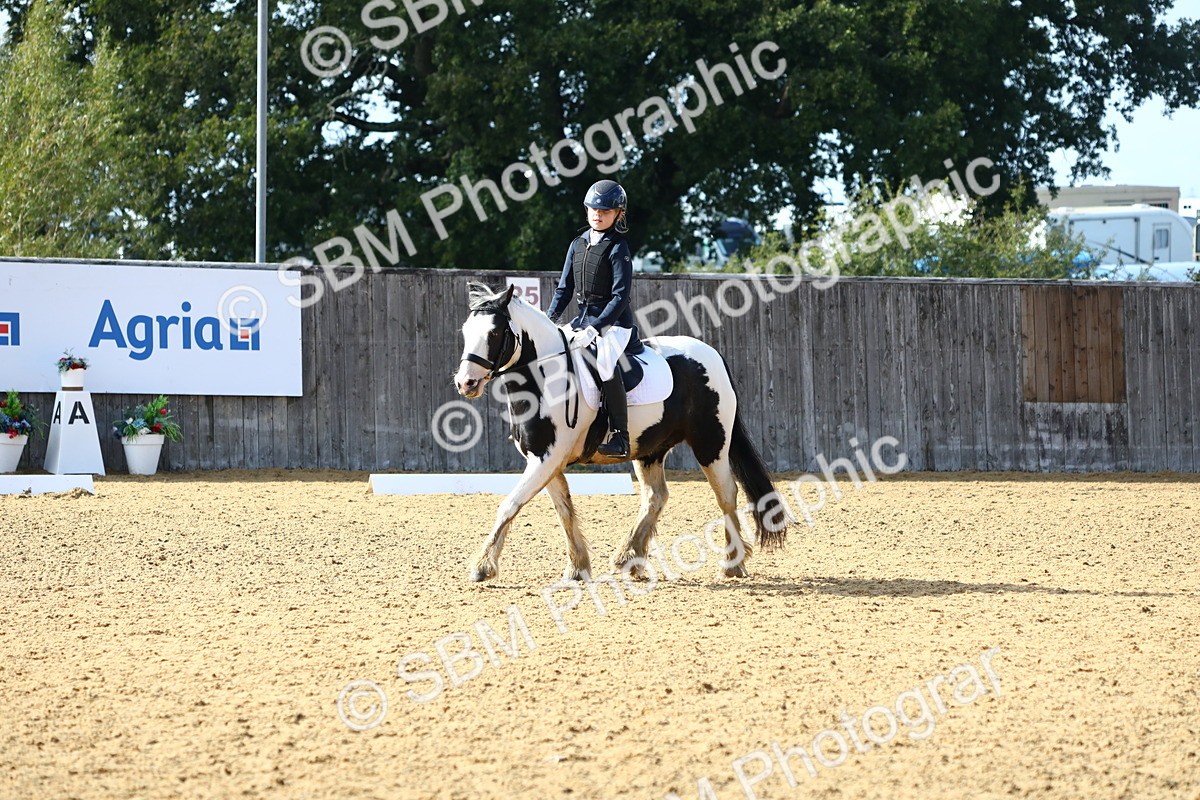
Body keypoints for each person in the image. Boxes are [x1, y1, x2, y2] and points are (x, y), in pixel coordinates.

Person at [547, 179, 644, 459]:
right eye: (593, 209)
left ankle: (620, 437)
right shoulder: (577, 244)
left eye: (605, 211)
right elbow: (564, 289)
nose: (597, 215)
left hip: (615, 325)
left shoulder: (618, 247)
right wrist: (549, 321)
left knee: (604, 363)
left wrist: (596, 328)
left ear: (618, 214)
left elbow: (620, 297)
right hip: (582, 320)